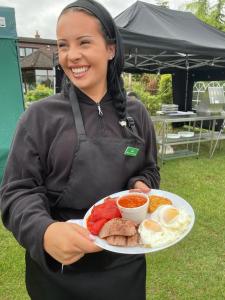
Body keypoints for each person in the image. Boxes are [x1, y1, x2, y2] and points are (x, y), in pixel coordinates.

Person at [0, 0, 160, 299]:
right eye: (62, 45)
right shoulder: (39, 117)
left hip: (123, 264)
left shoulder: (136, 113)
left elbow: (149, 169)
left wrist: (140, 186)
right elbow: (16, 191)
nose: (71, 56)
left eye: (84, 42)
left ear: (110, 48)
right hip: (58, 272)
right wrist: (44, 232)